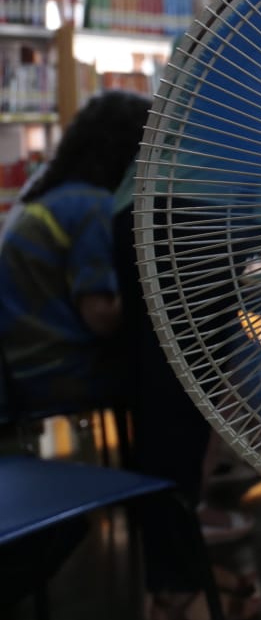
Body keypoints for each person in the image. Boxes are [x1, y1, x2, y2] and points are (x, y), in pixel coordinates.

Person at [115, 0, 261, 620]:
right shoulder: (255, 35)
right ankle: (171, 588)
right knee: (171, 410)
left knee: (179, 406)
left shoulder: (216, 27)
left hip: (170, 221)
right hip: (183, 224)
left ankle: (175, 572)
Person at [0, 91, 150, 420]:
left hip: (19, 372)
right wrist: (157, 285)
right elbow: (100, 318)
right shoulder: (91, 207)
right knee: (174, 372)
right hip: (58, 374)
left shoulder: (51, 195)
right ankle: (194, 468)